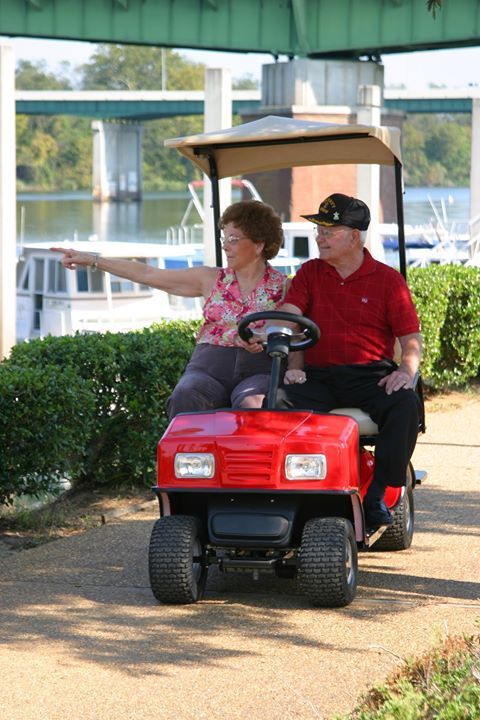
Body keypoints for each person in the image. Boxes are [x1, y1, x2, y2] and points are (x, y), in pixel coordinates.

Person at [261, 193, 423, 529]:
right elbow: (292, 312)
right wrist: (280, 337)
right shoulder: (309, 273)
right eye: (319, 230)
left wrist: (406, 371)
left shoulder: (388, 281)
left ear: (354, 236)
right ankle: (289, 490)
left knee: (405, 403)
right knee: (275, 401)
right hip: (319, 377)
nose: (319, 237)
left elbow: (410, 339)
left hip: (370, 377)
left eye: (329, 231)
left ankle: (379, 492)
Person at [51, 200, 289, 418]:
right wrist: (93, 260)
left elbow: (293, 329)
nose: (226, 247)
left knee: (253, 403)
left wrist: (265, 336)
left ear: (259, 245)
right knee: (186, 394)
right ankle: (188, 463)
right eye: (223, 240)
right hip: (210, 367)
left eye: (233, 239)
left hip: (258, 368)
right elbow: (148, 273)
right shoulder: (209, 279)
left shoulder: (284, 286)